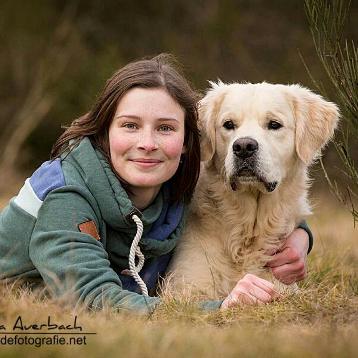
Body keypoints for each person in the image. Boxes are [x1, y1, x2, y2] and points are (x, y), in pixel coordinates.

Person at [0, 54, 312, 313]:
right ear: (104, 131)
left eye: (165, 128)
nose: (148, 143)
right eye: (130, 125)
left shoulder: (175, 177)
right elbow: (91, 298)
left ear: (189, 139)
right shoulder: (65, 196)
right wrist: (217, 310)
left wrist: (301, 237)